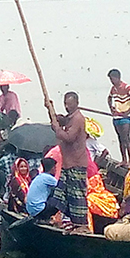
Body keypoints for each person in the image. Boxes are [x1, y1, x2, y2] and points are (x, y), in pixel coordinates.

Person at [48, 91, 89, 229]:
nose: (66, 107)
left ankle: (81, 225)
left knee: (77, 196)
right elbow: (60, 121)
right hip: (67, 164)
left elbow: (69, 137)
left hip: (76, 163)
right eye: (65, 104)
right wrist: (50, 109)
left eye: (69, 104)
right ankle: (68, 221)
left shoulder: (78, 118)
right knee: (62, 194)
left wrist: (57, 129)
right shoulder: (70, 118)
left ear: (76, 104)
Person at [107, 69, 130, 164]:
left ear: (117, 78)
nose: (111, 81)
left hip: (125, 117)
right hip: (116, 117)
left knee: (126, 138)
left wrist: (129, 110)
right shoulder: (113, 89)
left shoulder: (127, 87)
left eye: (112, 79)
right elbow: (109, 98)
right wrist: (111, 108)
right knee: (120, 138)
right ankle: (124, 160)